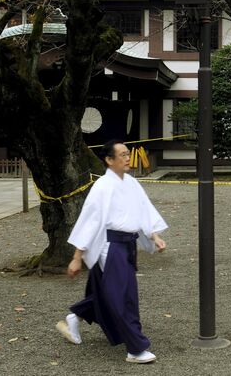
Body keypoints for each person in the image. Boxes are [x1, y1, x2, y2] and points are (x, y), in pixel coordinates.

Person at [55, 139, 168, 364]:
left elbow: (144, 210)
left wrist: (154, 235)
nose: (128, 158)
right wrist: (77, 257)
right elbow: (90, 221)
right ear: (109, 160)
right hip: (110, 246)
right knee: (124, 296)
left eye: (128, 153)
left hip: (128, 244)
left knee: (108, 292)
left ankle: (74, 318)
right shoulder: (102, 187)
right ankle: (135, 348)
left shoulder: (132, 183)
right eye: (123, 155)